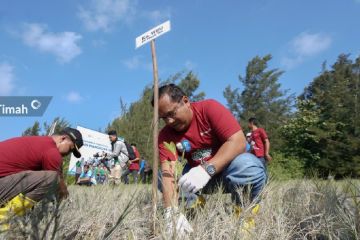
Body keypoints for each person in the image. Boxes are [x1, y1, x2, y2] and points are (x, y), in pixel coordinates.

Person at [153, 84, 266, 235]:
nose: (169, 121)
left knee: (247, 166)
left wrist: (207, 169)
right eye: (163, 118)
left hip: (230, 174)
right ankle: (194, 205)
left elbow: (238, 142)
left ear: (185, 101)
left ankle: (244, 215)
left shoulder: (209, 109)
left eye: (172, 113)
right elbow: (168, 173)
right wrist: (170, 212)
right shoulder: (166, 135)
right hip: (200, 182)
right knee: (162, 177)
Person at [0, 127, 83, 229]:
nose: (68, 154)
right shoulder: (51, 151)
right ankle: (4, 219)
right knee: (52, 178)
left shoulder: (37, 142)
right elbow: (59, 187)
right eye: (70, 149)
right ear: (63, 139)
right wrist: (66, 203)